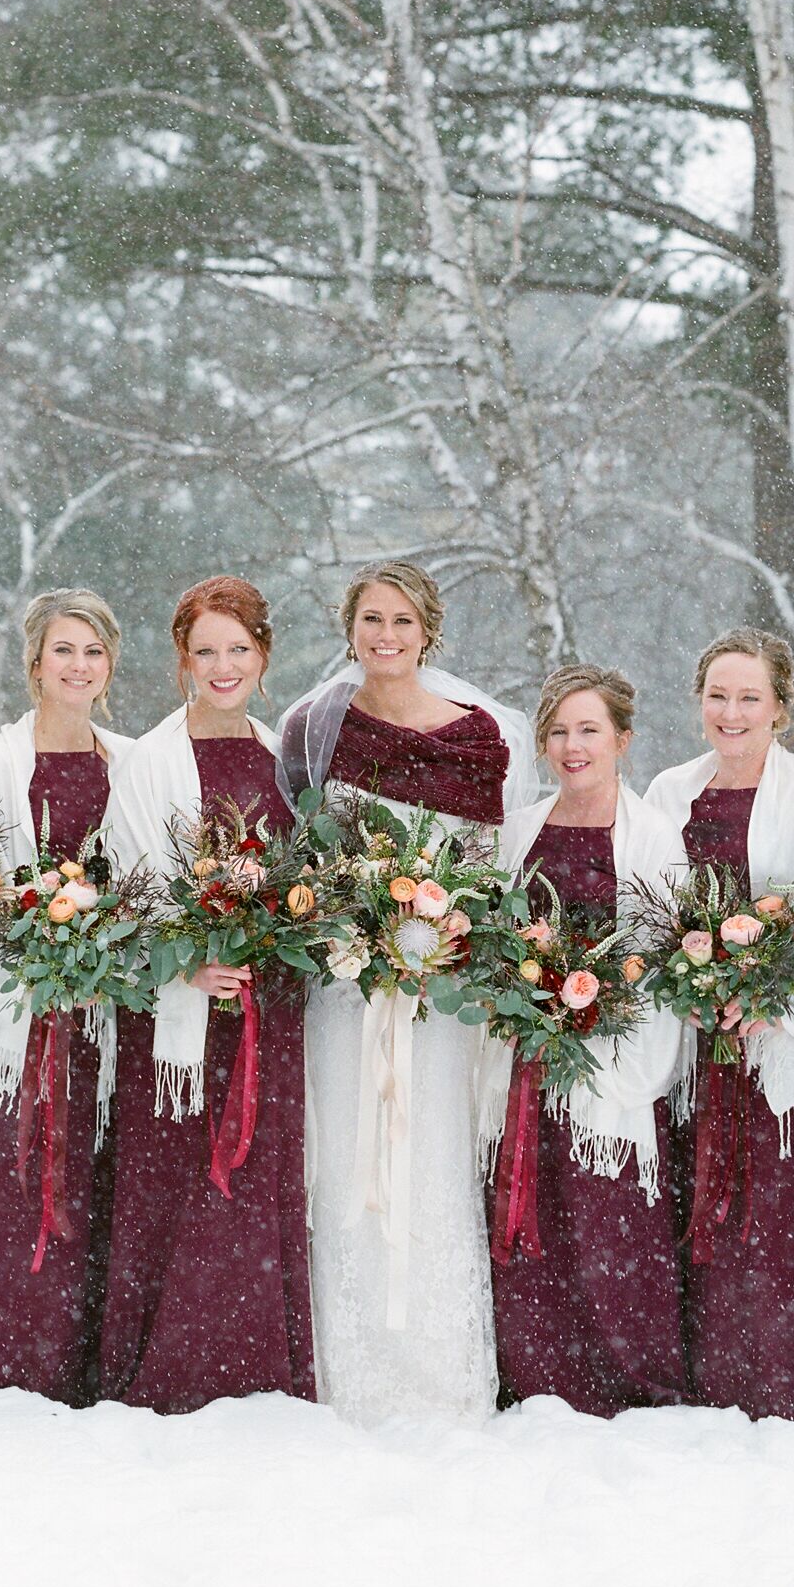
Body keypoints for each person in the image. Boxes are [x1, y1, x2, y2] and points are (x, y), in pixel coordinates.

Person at [279, 563, 539, 1423]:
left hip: (438, 997)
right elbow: (302, 868)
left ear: (428, 631)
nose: (385, 637)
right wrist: (356, 932)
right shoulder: (312, 729)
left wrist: (440, 938)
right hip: (345, 990)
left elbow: (485, 873)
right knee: (349, 1159)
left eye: (400, 621)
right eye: (370, 620)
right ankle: (349, 1371)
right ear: (347, 628)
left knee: (431, 1164)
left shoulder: (478, 736)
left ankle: (441, 1373)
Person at [643, 629, 794, 1421]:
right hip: (697, 1042)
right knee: (699, 1205)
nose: (731, 712)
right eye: (717, 695)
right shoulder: (670, 793)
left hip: (786, 1049)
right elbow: (643, 911)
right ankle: (711, 1380)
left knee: (783, 1219)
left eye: (750, 698)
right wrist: (688, 979)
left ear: (781, 709)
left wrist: (774, 994)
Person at [96, 577, 315, 1411]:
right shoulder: (151, 761)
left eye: (239, 649)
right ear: (181, 661)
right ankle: (174, 1369)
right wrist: (188, 962)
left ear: (263, 657)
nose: (223, 667)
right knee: (177, 1183)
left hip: (271, 1006)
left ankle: (262, 1366)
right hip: (181, 1016)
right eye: (205, 652)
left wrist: (283, 933)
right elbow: (128, 887)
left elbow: (310, 873)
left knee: (259, 1183)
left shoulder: (285, 757)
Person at [484, 666, 690, 1414]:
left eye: (589, 730)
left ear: (623, 741)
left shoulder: (654, 835)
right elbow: (494, 937)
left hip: (616, 1053)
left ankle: (629, 1379)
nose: (573, 746)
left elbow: (664, 952)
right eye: (560, 732)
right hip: (529, 1053)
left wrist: (602, 1014)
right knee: (533, 1209)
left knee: (609, 1219)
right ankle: (538, 1376)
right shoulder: (518, 831)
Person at [0, 591, 132, 1400]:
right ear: (33, 663)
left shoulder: (128, 761)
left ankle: (83, 1364)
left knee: (96, 1174)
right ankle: (10, 1360)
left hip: (105, 1011)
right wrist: (27, 960)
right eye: (63, 650)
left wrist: (101, 950)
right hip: (16, 1014)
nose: (78, 666)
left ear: (110, 666)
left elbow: (144, 880)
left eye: (92, 651)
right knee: (14, 1172)